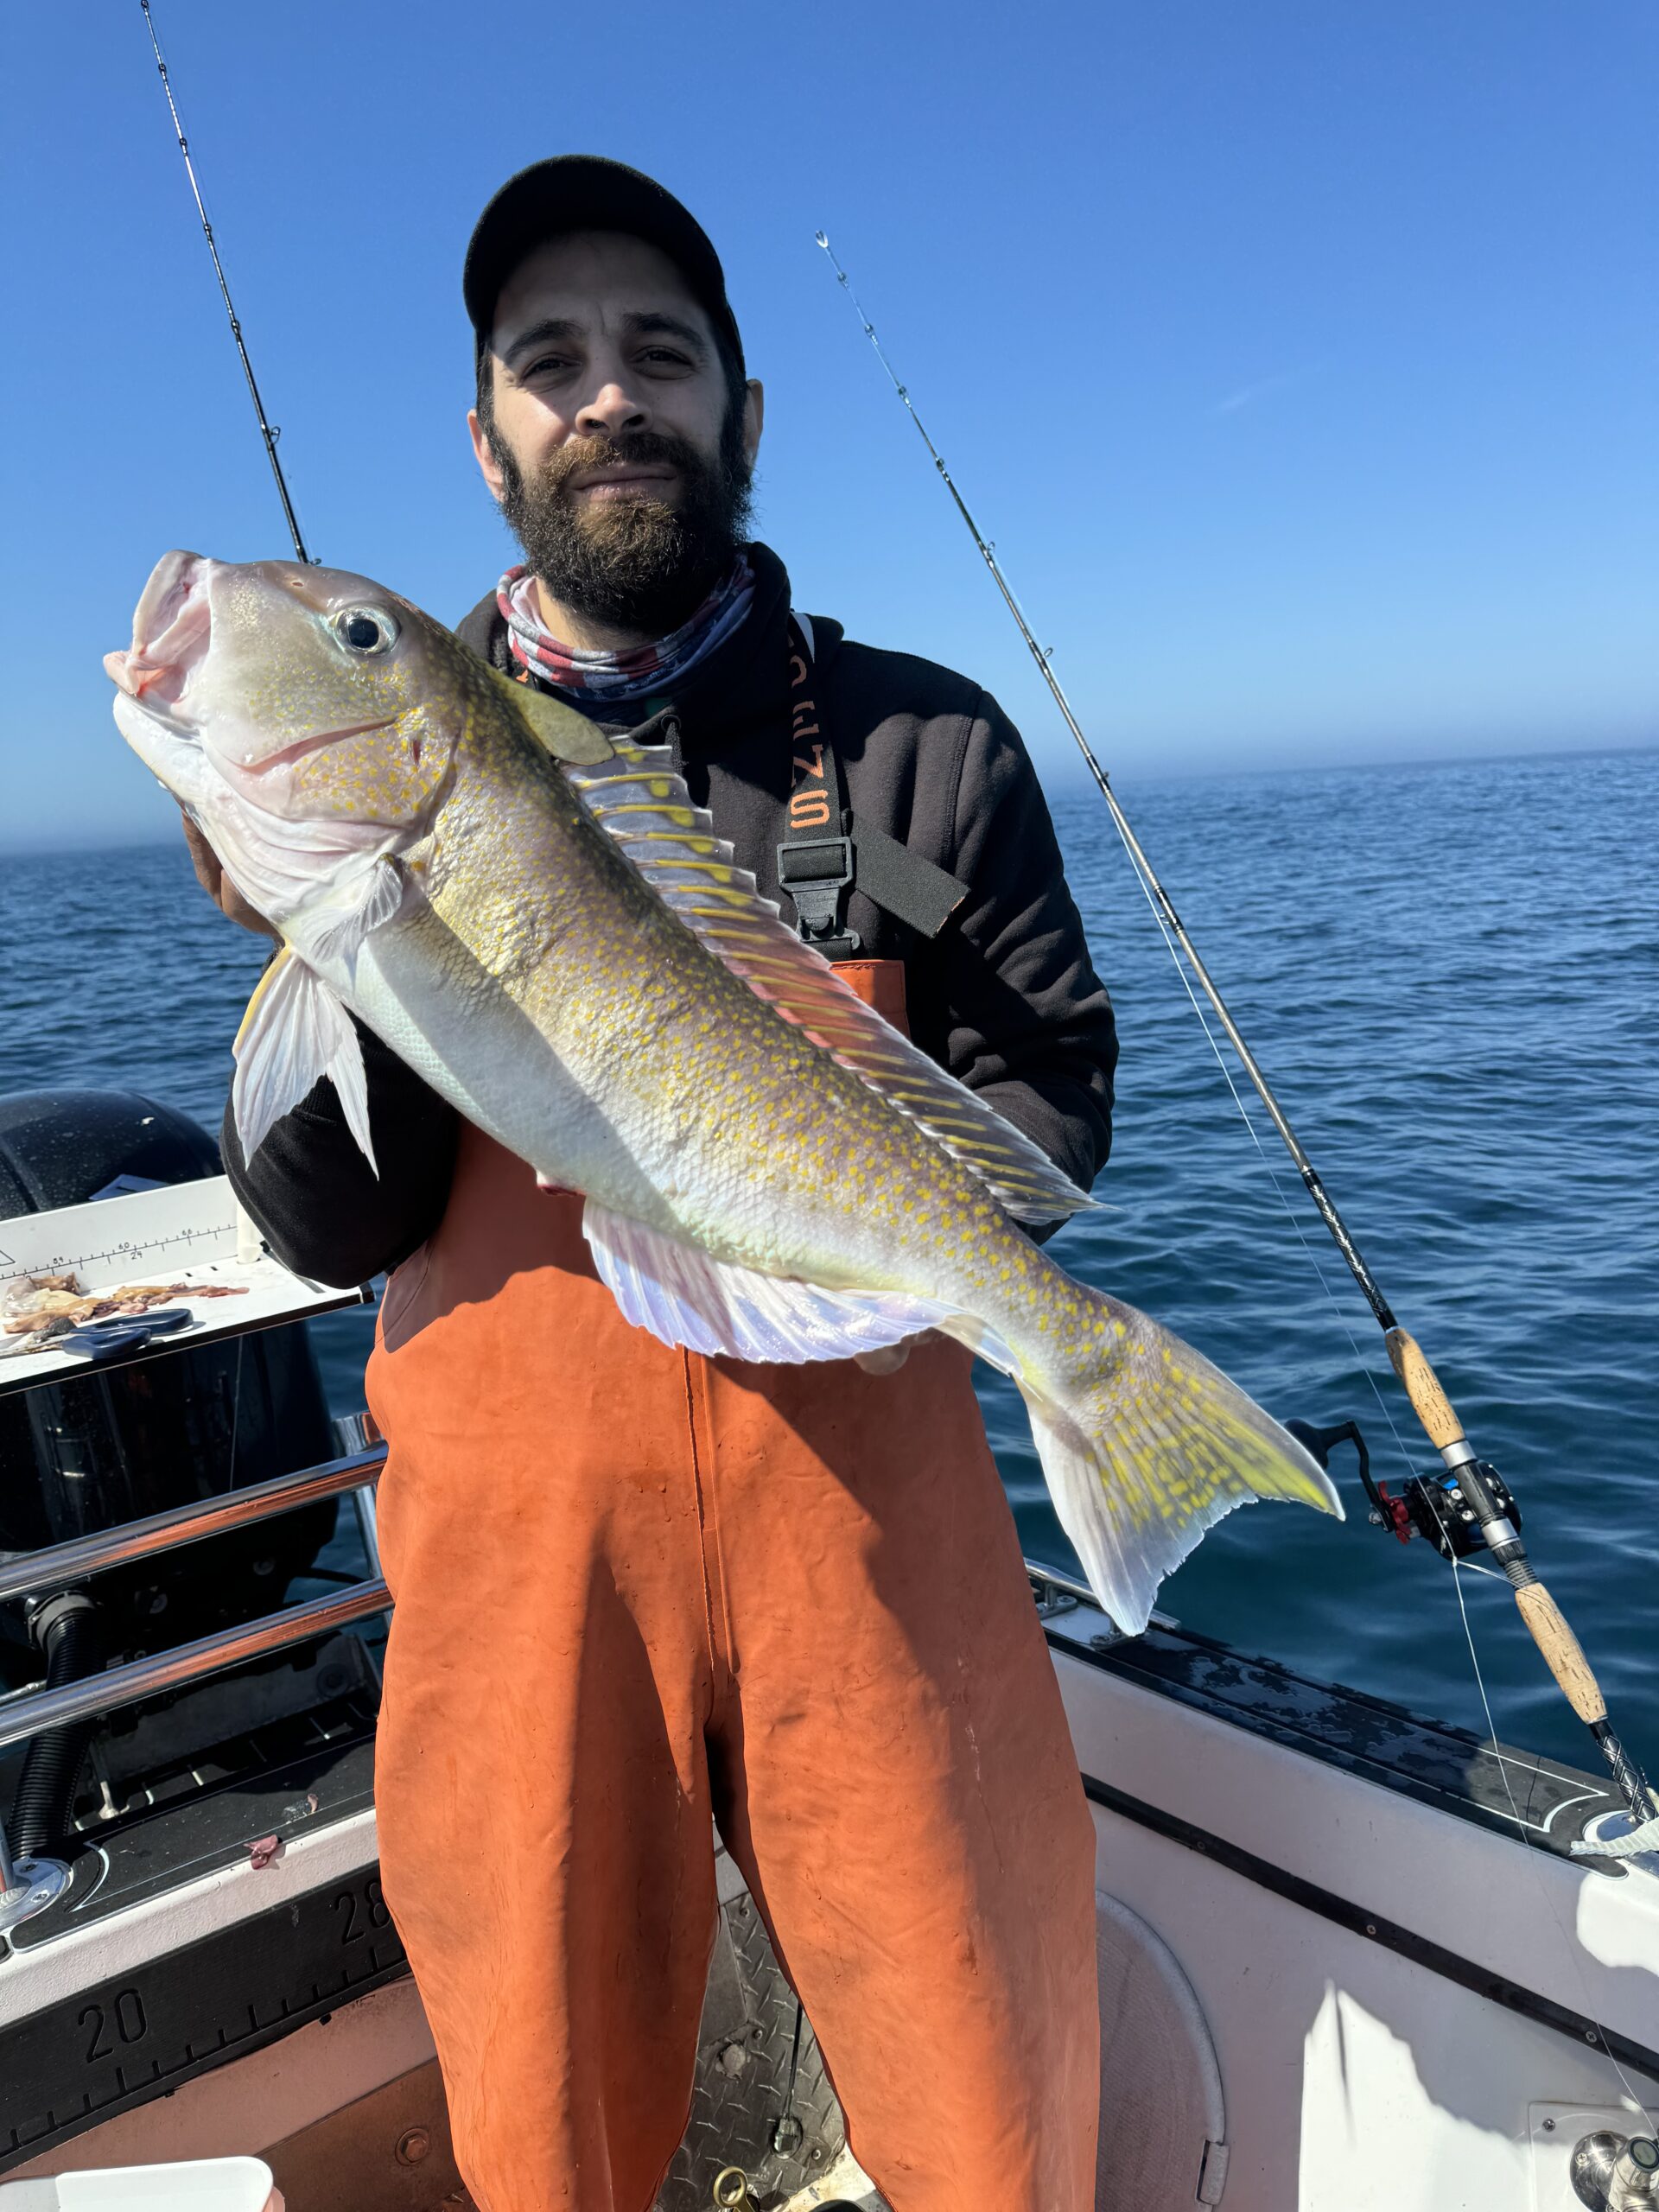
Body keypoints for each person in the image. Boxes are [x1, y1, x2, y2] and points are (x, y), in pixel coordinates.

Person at [200, 156, 1117, 2212]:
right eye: (550, 361)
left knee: (988, 2089)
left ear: (741, 409)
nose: (608, 395)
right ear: (487, 439)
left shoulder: (923, 742)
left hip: (876, 1535)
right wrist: (349, 949)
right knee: (547, 2126)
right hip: (522, 1562)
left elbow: (1052, 1094)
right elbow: (326, 1226)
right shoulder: (393, 756)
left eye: (660, 353)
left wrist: (891, 1256)